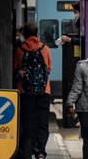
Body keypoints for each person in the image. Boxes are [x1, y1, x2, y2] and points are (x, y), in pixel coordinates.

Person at [13, 21, 53, 159]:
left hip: (25, 91)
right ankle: (40, 151)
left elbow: (15, 68)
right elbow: (48, 69)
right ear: (37, 33)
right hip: (44, 91)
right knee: (42, 121)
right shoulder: (45, 49)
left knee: (27, 121)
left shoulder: (19, 50)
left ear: (24, 34)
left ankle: (26, 150)